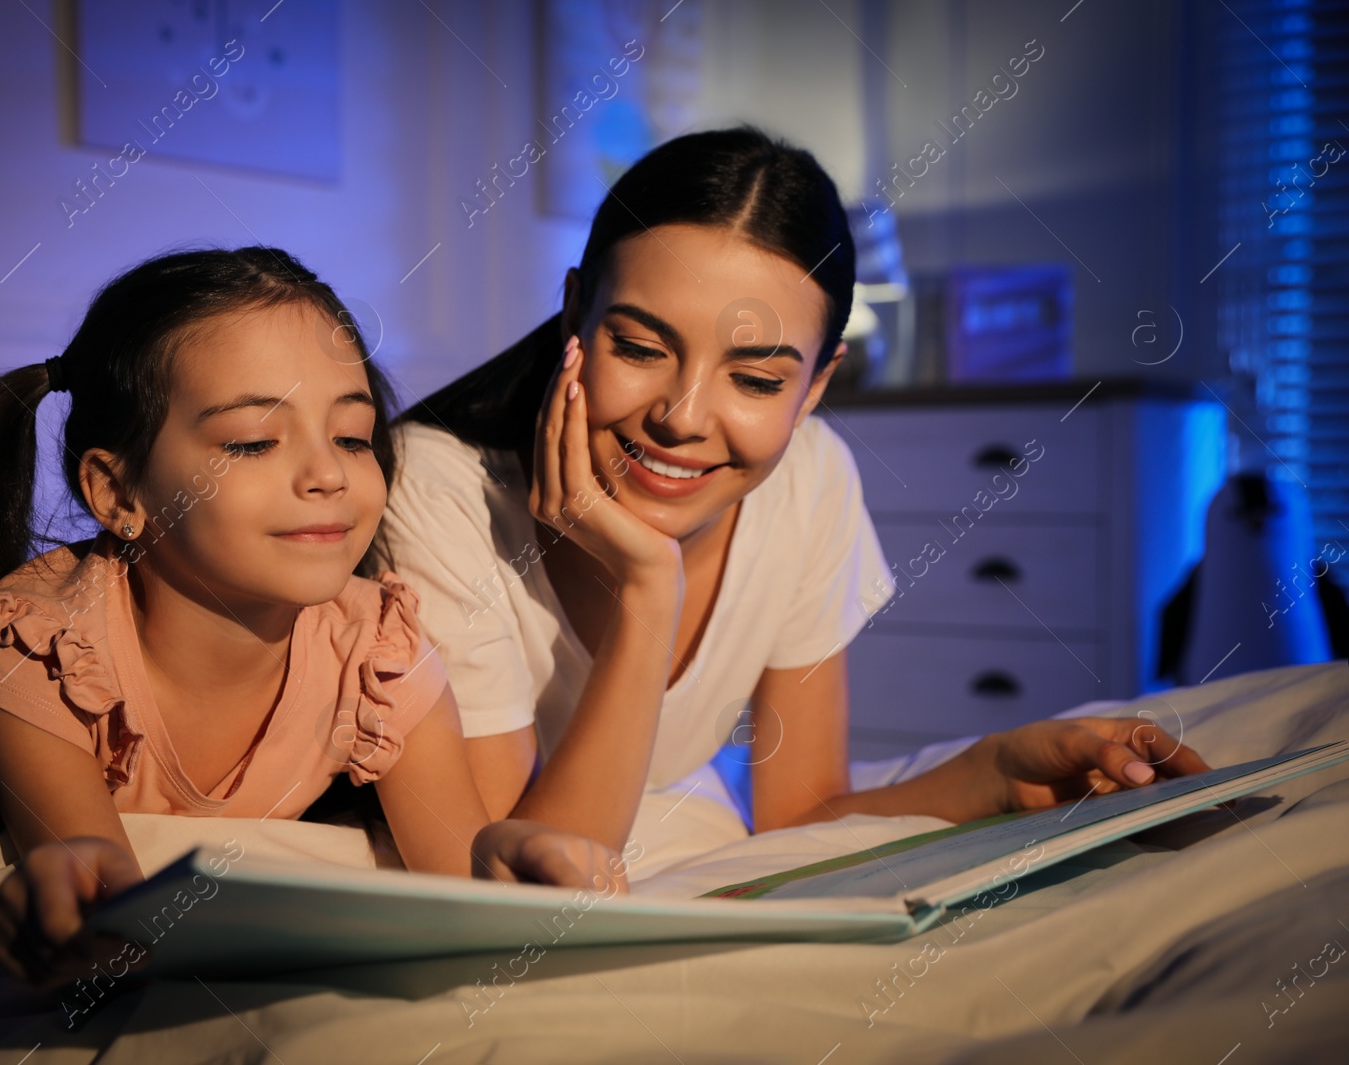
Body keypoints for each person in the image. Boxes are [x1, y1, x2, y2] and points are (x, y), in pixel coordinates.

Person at [0, 247, 621, 989]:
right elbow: (89, 882)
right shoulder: (36, 644)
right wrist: (63, 909)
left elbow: (463, 875)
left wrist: (520, 865)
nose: (327, 474)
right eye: (251, 441)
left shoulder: (380, 649)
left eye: (353, 437)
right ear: (118, 492)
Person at [371, 126, 1211, 867]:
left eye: (758, 377)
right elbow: (520, 888)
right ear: (574, 318)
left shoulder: (812, 477)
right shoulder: (441, 493)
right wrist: (648, 593)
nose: (683, 417)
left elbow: (801, 814)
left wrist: (996, 771)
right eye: (638, 345)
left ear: (814, 387)